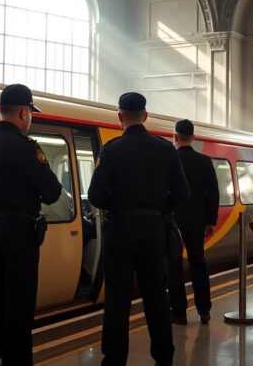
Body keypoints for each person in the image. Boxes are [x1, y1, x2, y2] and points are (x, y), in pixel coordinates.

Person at [0, 84, 63, 365]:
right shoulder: (27, 149)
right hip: (21, 233)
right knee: (19, 308)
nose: (30, 118)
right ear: (23, 112)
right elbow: (54, 192)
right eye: (30, 113)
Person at [88, 92, 189, 366]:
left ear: (120, 117)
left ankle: (115, 359)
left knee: (117, 298)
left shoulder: (111, 149)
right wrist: (159, 208)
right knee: (156, 294)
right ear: (145, 116)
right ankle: (164, 357)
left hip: (120, 229)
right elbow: (182, 191)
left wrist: (118, 204)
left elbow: (95, 196)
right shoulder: (165, 149)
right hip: (154, 229)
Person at [168, 119, 220, 326]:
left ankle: (179, 312)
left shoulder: (170, 160)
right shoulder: (205, 161)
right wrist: (210, 220)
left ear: (175, 137)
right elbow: (213, 193)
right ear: (194, 137)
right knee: (198, 263)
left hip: (173, 223)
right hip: (197, 222)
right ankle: (204, 310)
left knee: (173, 265)